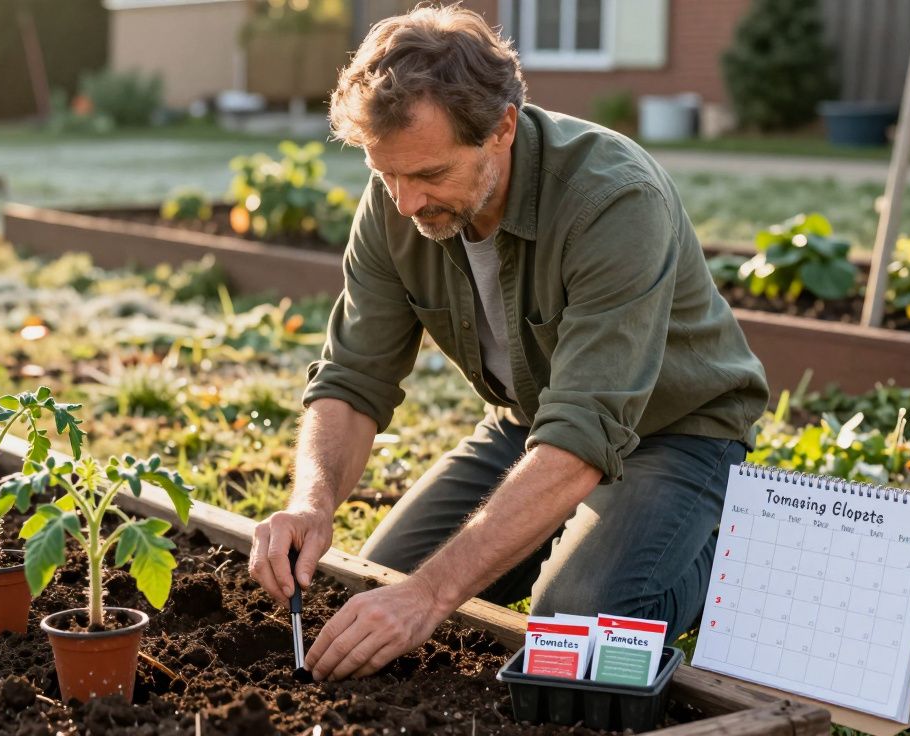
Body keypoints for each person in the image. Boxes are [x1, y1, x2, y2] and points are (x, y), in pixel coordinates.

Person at [248, 5, 769, 682]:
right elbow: (352, 378)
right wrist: (310, 502)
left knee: (576, 626)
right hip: (528, 426)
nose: (404, 202)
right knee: (374, 591)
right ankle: (559, 530)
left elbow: (583, 433)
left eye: (429, 175)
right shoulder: (396, 204)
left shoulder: (613, 201)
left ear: (501, 128)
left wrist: (432, 595)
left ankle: (731, 539)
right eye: (386, 174)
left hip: (676, 433)